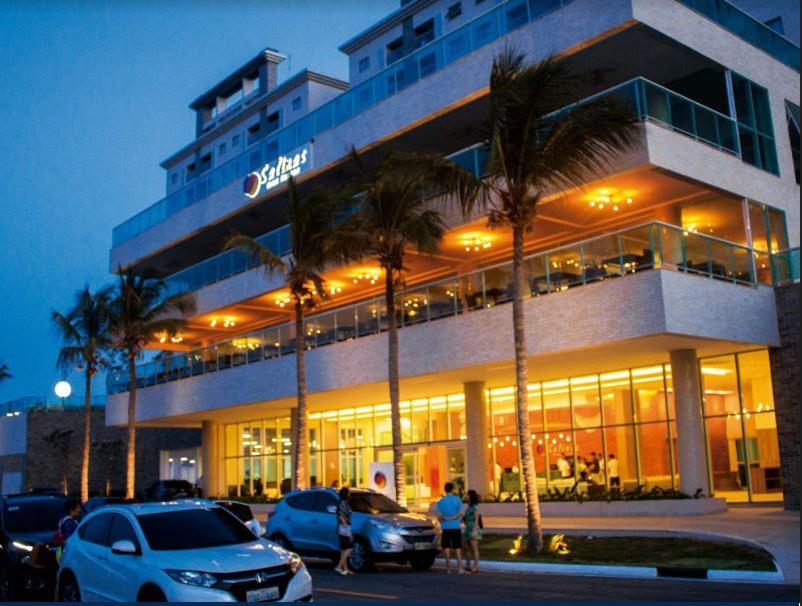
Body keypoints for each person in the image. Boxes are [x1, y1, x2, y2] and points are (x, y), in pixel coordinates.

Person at [435, 482, 465, 575]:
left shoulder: (440, 502)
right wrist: (453, 518)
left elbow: (439, 516)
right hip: (456, 527)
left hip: (445, 528)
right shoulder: (457, 499)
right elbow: (461, 513)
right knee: (457, 548)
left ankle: (448, 569)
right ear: (452, 489)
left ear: (445, 490)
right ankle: (460, 568)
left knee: (446, 548)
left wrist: (444, 521)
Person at [462, 490, 482, 574]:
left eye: (467, 495)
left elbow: (477, 518)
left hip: (473, 528)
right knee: (465, 547)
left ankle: (476, 567)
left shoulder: (475, 506)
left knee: (474, 548)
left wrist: (474, 530)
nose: (465, 496)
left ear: (470, 496)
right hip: (467, 528)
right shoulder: (469, 506)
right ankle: (468, 565)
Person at [335, 487, 353, 575]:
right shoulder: (343, 503)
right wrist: (346, 526)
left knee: (344, 549)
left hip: (342, 527)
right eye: (348, 493)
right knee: (350, 548)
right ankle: (339, 566)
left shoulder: (341, 502)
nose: (349, 494)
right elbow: (341, 516)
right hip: (344, 527)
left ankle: (345, 569)